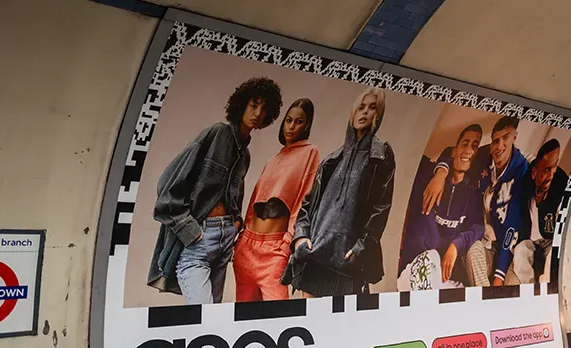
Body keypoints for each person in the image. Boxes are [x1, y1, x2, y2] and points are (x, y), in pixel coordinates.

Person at [149, 77, 282, 304]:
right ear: (242, 105)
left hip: (224, 241)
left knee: (214, 319)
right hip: (201, 238)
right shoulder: (216, 133)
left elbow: (233, 196)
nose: (258, 112)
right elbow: (167, 183)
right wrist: (190, 229)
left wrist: (236, 223)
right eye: (254, 105)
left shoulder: (244, 155)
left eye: (264, 108)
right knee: (204, 316)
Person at [283, 89, 395, 297]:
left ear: (379, 115)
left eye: (372, 108)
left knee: (341, 326)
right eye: (361, 107)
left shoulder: (381, 155)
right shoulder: (332, 160)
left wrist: (362, 248)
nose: (365, 113)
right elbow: (307, 205)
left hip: (346, 261)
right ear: (352, 112)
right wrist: (300, 237)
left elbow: (381, 209)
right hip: (315, 255)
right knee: (310, 324)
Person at [421, 115, 532, 286]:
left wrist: (499, 276)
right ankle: (486, 304)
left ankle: (493, 301)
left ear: (514, 137)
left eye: (506, 138)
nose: (499, 146)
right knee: (473, 250)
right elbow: (451, 152)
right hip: (486, 244)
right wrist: (441, 173)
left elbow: (512, 225)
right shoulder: (486, 155)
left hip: (512, 252)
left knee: (511, 290)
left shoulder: (522, 170)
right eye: (495, 140)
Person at [233, 99, 320, 301]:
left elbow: (304, 200)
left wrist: (287, 242)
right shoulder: (273, 159)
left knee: (278, 318)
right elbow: (254, 200)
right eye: (288, 120)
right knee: (244, 318)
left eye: (299, 122)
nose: (291, 126)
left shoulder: (310, 152)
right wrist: (242, 239)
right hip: (247, 247)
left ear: (306, 125)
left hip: (274, 250)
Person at [396, 124, 486, 290]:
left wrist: (456, 246)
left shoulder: (473, 192)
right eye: (465, 144)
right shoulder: (427, 179)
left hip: (446, 276)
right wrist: (440, 172)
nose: (469, 150)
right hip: (417, 266)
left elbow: (479, 227)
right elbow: (409, 153)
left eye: (475, 146)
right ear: (453, 150)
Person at [510, 139, 568, 285]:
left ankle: (545, 289)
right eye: (546, 170)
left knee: (553, 255)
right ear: (534, 172)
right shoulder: (524, 184)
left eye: (554, 167)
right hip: (529, 239)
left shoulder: (560, 183)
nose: (550, 175)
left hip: (550, 239)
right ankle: (530, 290)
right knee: (520, 251)